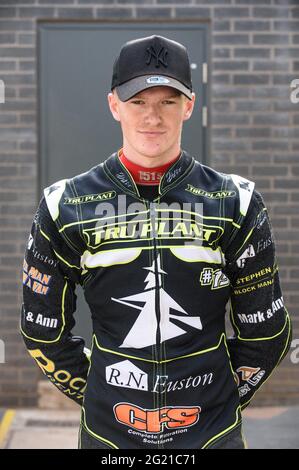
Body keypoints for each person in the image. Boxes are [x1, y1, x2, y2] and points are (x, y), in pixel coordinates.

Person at [21, 35, 292, 450]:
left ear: (189, 106)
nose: (153, 117)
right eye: (137, 101)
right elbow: (42, 331)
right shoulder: (65, 204)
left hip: (211, 436)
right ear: (114, 105)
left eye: (168, 101)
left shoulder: (236, 201)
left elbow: (267, 331)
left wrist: (218, 399)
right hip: (108, 439)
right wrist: (99, 394)